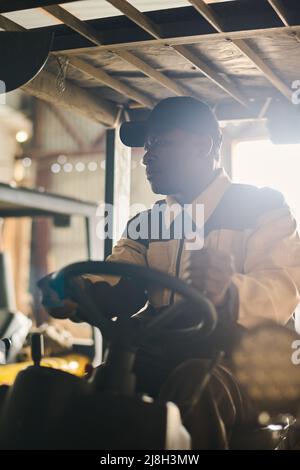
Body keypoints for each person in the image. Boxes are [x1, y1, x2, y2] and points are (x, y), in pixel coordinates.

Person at [39, 97, 300, 449]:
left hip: (250, 365)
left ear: (203, 145)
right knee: (101, 384)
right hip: (169, 352)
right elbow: (120, 279)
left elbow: (280, 289)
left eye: (161, 143)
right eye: (147, 147)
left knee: (196, 386)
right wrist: (74, 292)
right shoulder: (148, 223)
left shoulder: (262, 208)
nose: (147, 157)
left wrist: (228, 290)